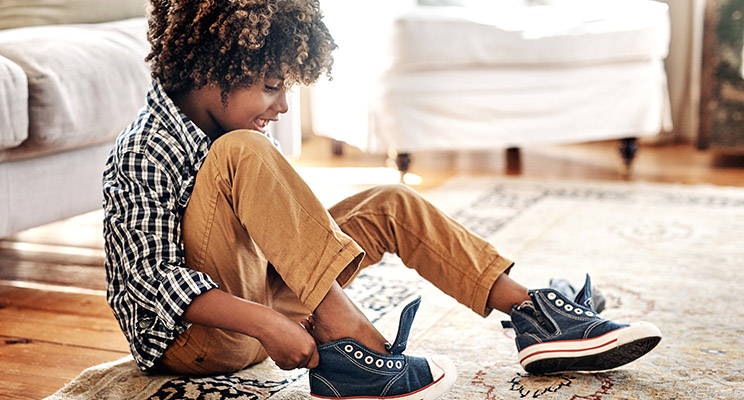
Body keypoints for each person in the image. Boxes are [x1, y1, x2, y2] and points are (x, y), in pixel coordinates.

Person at [102, 0, 662, 398]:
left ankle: (530, 312)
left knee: (390, 202)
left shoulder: (235, 130)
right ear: (211, 66)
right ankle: (351, 340)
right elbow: (149, 285)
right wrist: (270, 325)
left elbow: (284, 237)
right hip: (199, 341)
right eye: (272, 85)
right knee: (243, 151)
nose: (282, 106)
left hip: (263, 310)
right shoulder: (144, 149)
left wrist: (287, 299)